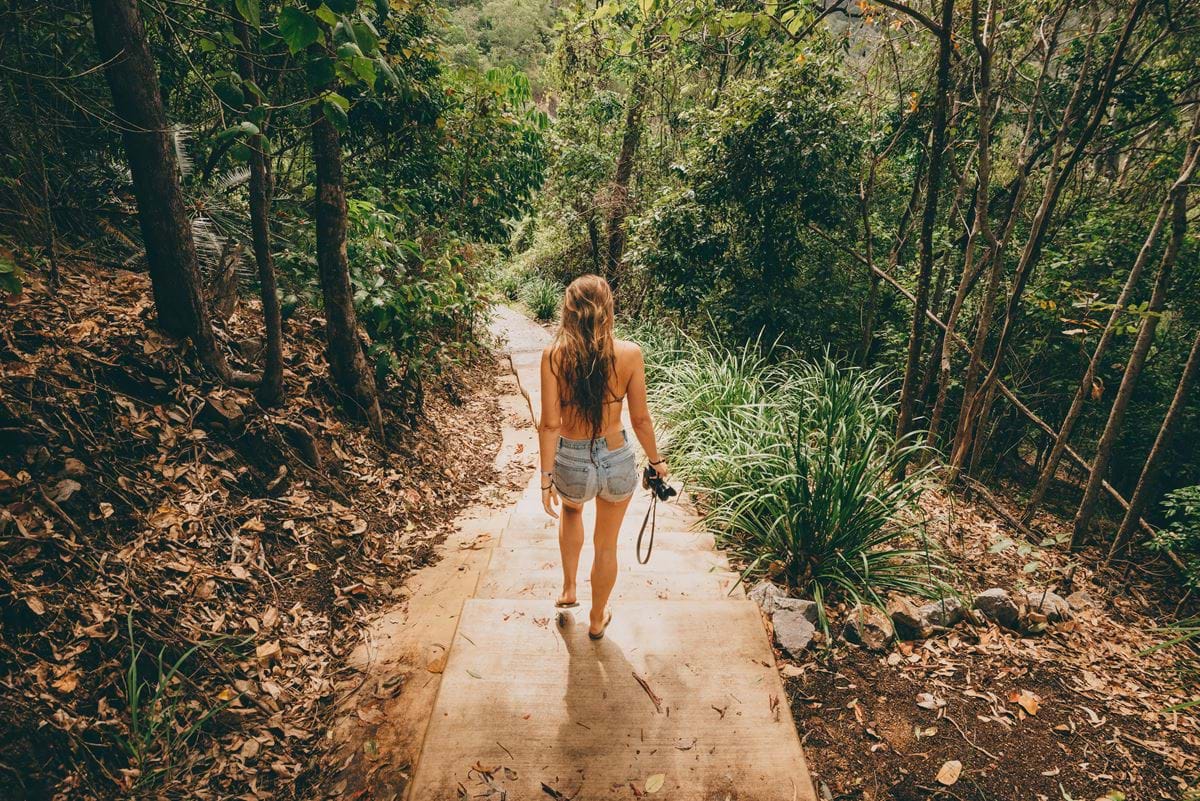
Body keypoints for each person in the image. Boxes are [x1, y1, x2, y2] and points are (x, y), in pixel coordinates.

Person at [538, 274, 669, 640]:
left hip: (573, 459)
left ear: (569, 310)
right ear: (608, 309)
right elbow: (641, 419)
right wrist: (656, 462)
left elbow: (549, 424)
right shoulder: (629, 354)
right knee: (607, 544)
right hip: (616, 458)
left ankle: (568, 589)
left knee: (571, 510)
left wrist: (546, 477)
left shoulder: (554, 355)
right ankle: (597, 619)